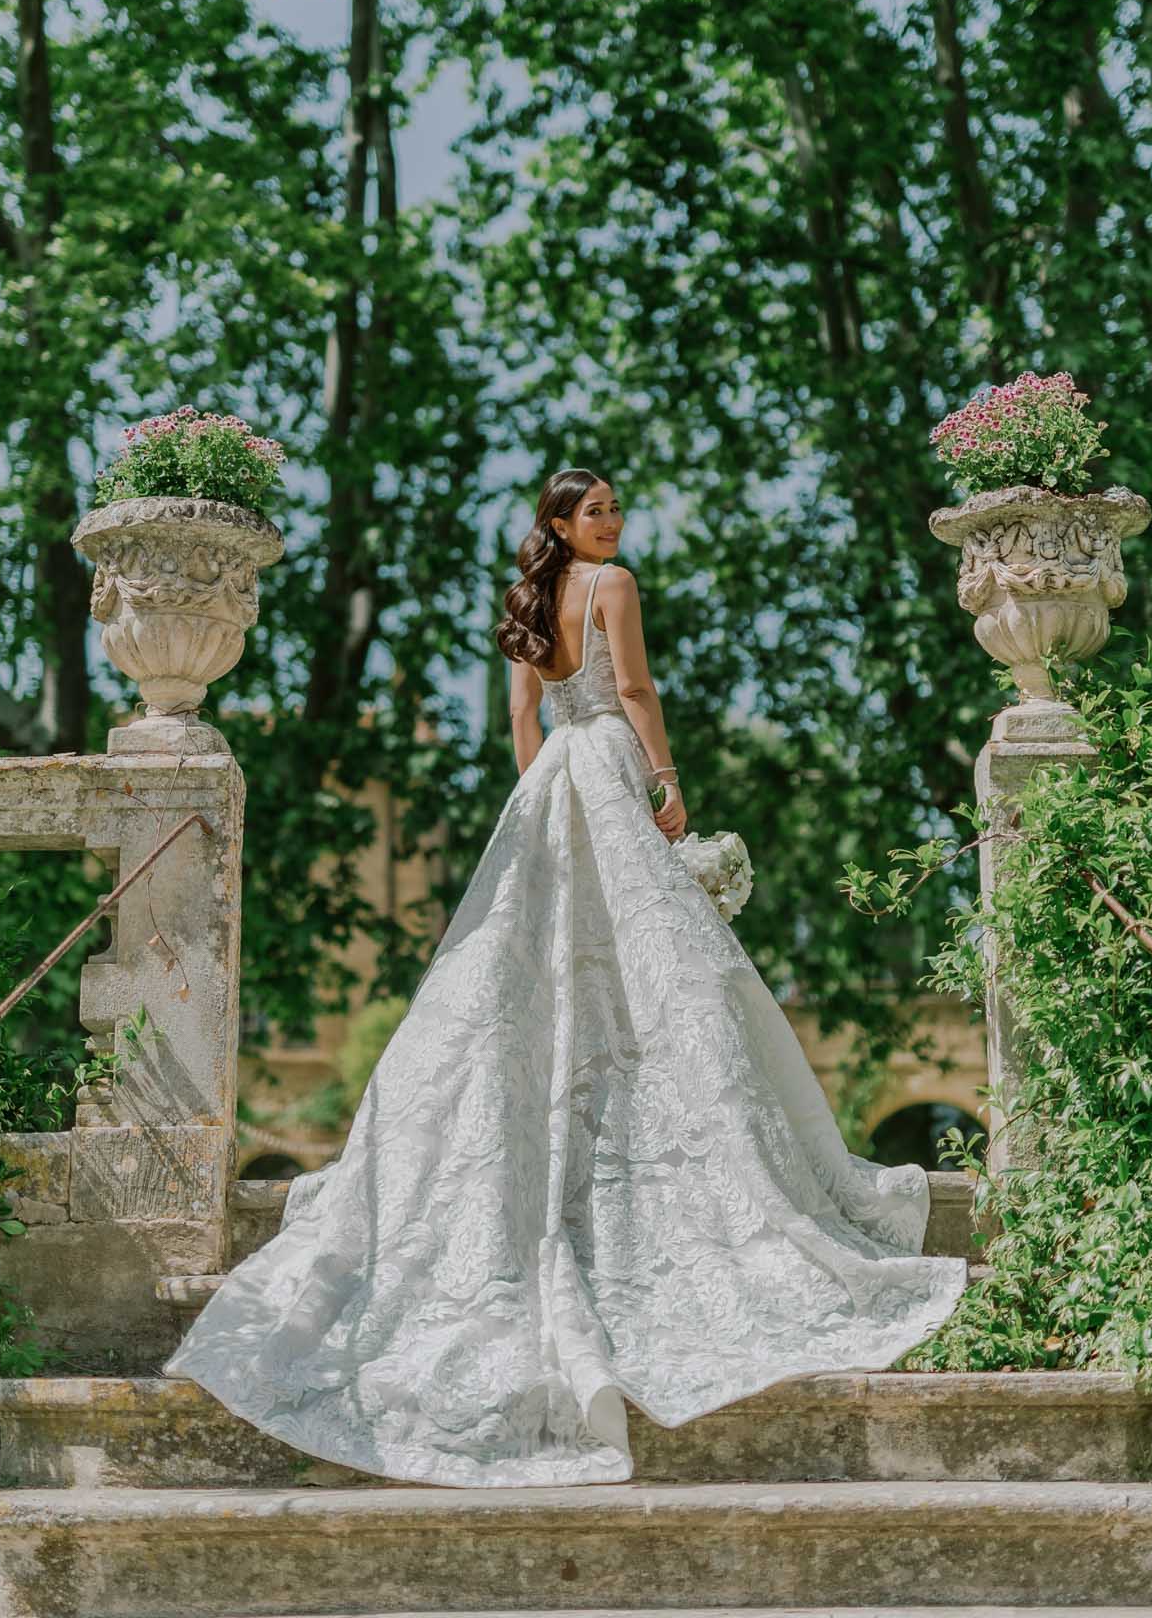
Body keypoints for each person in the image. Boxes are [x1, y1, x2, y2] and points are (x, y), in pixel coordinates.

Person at [162, 466, 968, 1485]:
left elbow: (520, 724)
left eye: (616, 512)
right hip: (607, 767)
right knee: (654, 974)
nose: (613, 524)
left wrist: (539, 802)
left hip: (546, 786)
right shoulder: (611, 585)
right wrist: (663, 777)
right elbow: (633, 688)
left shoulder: (527, 600)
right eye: (596, 513)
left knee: (528, 970)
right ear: (561, 522)